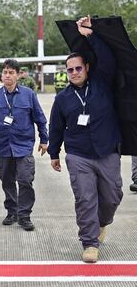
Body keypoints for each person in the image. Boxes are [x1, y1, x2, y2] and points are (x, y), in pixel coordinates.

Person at [48, 16, 123, 263]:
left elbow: (109, 60)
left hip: (107, 150)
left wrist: (89, 35)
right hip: (78, 154)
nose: (74, 72)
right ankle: (89, 243)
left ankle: (103, 222)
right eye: (70, 70)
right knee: (85, 198)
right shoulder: (63, 99)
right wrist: (54, 153)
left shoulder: (102, 83)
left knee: (113, 195)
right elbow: (56, 127)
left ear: (87, 68)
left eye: (78, 68)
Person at [0, 59, 48, 232]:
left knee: (25, 180)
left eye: (11, 72)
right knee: (7, 181)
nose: (7, 75)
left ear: (17, 75)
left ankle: (24, 215)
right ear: (1, 75)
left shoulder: (28, 94)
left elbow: (39, 118)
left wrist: (44, 139)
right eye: (5, 72)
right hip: (2, 147)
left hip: (23, 146)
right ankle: (12, 211)